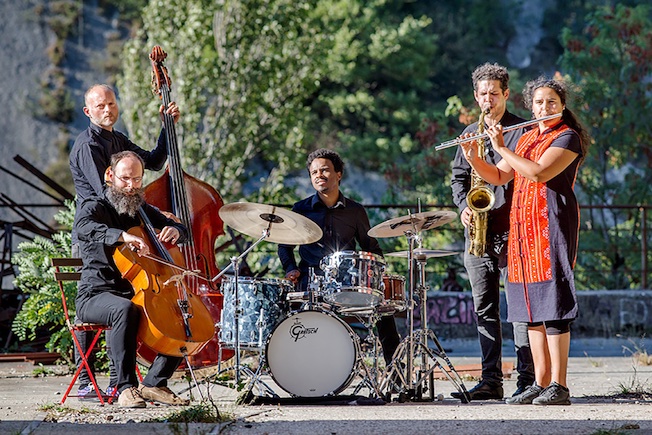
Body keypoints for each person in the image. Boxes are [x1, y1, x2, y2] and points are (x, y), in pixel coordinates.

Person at [459, 76, 589, 406]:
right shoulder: (527, 136)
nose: (544, 108)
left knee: (553, 304)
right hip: (522, 229)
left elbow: (538, 173)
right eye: (539, 102)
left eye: (551, 103)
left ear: (562, 106)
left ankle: (559, 384)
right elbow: (501, 176)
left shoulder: (567, 137)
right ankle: (540, 382)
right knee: (529, 307)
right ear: (530, 105)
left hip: (552, 227)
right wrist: (475, 157)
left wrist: (502, 146)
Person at [69, 83, 180, 400]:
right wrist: (139, 218)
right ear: (88, 111)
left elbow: (154, 161)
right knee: (119, 304)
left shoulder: (117, 140)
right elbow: (107, 197)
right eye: (100, 105)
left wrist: (166, 128)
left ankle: (153, 382)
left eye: (111, 103)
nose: (107, 109)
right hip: (99, 231)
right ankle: (107, 382)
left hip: (123, 226)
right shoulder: (87, 146)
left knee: (174, 307)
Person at [75, 151, 190, 408]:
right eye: (125, 179)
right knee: (124, 310)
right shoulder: (94, 207)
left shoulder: (141, 209)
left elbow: (183, 232)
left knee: (180, 313)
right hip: (96, 295)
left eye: (137, 180)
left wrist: (176, 230)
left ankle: (154, 383)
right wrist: (123, 236)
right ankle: (125, 388)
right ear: (110, 175)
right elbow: (84, 228)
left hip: (137, 293)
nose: (131, 186)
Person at [450, 63, 534, 401]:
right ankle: (490, 381)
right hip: (479, 233)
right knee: (484, 307)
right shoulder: (470, 132)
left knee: (518, 307)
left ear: (506, 94)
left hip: (513, 229)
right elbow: (458, 179)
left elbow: (513, 174)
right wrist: (464, 208)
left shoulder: (520, 131)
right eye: (483, 95)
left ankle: (526, 380)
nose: (488, 101)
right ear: (476, 96)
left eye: (494, 95)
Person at [277, 148, 401, 366]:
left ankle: (395, 371)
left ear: (339, 174)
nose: (318, 175)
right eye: (314, 172)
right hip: (310, 281)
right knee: (288, 317)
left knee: (384, 310)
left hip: (346, 283)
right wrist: (290, 269)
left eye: (324, 170)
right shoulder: (300, 209)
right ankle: (293, 366)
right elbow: (284, 246)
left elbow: (371, 247)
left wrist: (378, 275)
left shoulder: (355, 211)